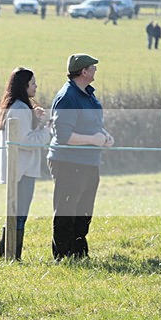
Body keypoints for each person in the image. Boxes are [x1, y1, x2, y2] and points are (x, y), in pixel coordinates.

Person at [47, 54, 114, 261]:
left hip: (89, 162)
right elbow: (64, 136)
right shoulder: (68, 97)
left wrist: (104, 135)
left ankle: (79, 253)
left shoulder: (89, 95)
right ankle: (63, 255)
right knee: (67, 209)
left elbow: (92, 124)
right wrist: (93, 140)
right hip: (68, 162)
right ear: (83, 71)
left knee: (84, 209)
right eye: (92, 67)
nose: (95, 70)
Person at [0, 67, 51, 260]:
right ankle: (11, 255)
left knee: (16, 212)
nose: (36, 86)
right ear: (24, 86)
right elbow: (26, 141)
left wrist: (35, 118)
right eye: (33, 83)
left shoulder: (16, 107)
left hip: (18, 168)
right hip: (22, 169)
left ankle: (8, 254)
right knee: (19, 214)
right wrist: (48, 130)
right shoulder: (19, 109)